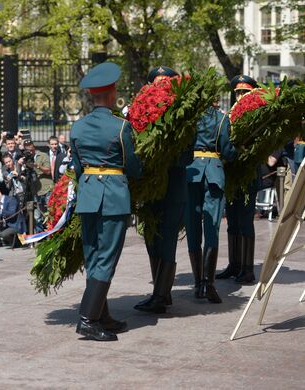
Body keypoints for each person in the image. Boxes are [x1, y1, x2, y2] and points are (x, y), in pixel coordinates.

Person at [70, 62, 142, 341]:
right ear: (112, 94)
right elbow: (133, 166)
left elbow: (77, 167)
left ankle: (101, 314)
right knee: (107, 258)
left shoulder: (78, 127)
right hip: (113, 196)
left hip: (88, 196)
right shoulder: (121, 127)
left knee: (93, 256)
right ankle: (88, 320)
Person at [134, 66, 191, 314]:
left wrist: (165, 154)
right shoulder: (144, 118)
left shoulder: (185, 119)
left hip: (173, 186)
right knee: (150, 237)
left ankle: (161, 295)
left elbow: (187, 157)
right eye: (156, 84)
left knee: (166, 238)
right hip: (150, 189)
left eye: (165, 84)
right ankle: (160, 290)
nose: (160, 88)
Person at [185, 96, 236, 303]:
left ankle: (198, 284)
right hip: (213, 174)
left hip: (192, 173)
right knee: (212, 228)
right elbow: (226, 150)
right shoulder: (222, 119)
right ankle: (209, 284)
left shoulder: (190, 118)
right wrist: (237, 152)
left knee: (192, 227)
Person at [217, 75, 259, 284]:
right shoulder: (231, 115)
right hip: (232, 172)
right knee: (232, 220)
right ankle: (234, 264)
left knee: (245, 221)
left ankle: (248, 268)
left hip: (248, 174)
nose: (241, 96)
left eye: (245, 92)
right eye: (238, 93)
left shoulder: (259, 115)